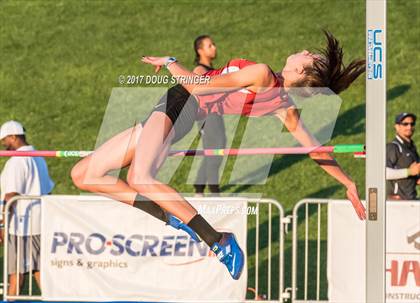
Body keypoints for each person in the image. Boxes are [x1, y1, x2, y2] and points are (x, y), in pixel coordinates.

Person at [71, 31, 366, 280]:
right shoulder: (280, 102)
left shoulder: (264, 76)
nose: (303, 51)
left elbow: (199, 87)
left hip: (180, 104)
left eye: (308, 56)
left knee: (140, 177)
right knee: (83, 174)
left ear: (303, 72)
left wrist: (171, 62)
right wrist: (347, 182)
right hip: (176, 107)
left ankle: (217, 240)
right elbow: (315, 149)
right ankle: (170, 215)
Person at [0, 120, 55, 295]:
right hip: (39, 223)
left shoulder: (16, 161)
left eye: (5, 141)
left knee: (16, 274)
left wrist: (2, 223)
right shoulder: (38, 156)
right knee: (37, 270)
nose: (4, 146)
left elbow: (10, 196)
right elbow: (48, 189)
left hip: (21, 226)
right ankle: (52, 299)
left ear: (13, 137)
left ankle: (11, 301)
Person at [192, 35, 226, 196]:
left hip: (216, 116)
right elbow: (195, 92)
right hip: (208, 117)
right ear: (200, 50)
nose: (214, 47)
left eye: (214, 44)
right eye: (209, 45)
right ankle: (213, 190)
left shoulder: (211, 70)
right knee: (215, 149)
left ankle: (200, 187)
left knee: (215, 149)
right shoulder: (200, 70)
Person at [386, 113, 419, 200]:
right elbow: (384, 172)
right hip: (397, 201)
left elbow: (414, 174)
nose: (409, 127)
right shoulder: (393, 147)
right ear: (397, 127)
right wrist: (409, 171)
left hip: (411, 198)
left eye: (412, 124)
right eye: (405, 124)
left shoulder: (412, 148)